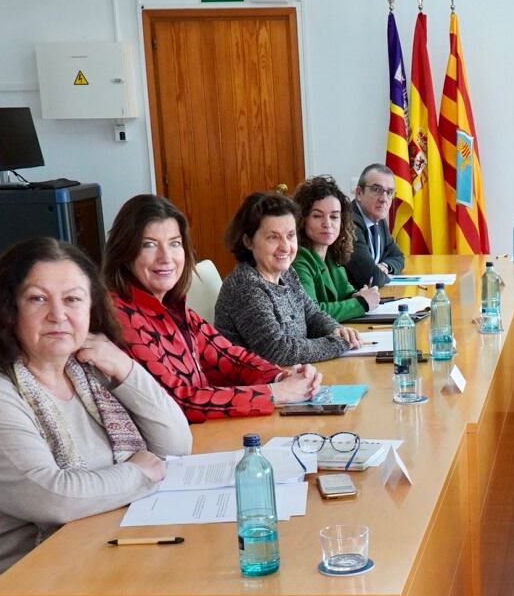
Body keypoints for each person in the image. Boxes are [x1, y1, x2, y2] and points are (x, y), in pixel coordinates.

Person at [0, 237, 193, 591]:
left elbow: (175, 443)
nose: (58, 315)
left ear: (91, 309)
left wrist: (126, 368)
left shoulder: (86, 371)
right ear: (8, 309)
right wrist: (138, 474)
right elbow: (53, 498)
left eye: (72, 300)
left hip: (86, 561)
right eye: (38, 299)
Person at [103, 193, 322, 423]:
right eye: (149, 245)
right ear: (125, 252)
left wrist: (281, 377)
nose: (166, 257)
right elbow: (178, 401)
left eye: (175, 243)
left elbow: (229, 358)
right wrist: (276, 393)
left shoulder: (173, 307)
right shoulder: (121, 315)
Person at [215, 190, 363, 366]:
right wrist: (339, 343)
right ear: (248, 241)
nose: (285, 247)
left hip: (292, 377)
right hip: (259, 387)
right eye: (273, 237)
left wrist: (336, 329)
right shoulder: (245, 287)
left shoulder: (287, 273)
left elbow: (312, 313)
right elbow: (278, 351)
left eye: (290, 236)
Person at [294, 175, 379, 322]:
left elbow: (345, 293)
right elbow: (311, 315)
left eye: (334, 217)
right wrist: (362, 303)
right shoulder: (298, 259)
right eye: (317, 216)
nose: (327, 224)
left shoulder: (332, 253)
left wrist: (358, 295)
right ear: (302, 219)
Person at [344, 164, 406, 290]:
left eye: (389, 192)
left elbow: (398, 256)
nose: (384, 199)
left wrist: (385, 265)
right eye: (376, 190)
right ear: (359, 193)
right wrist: (379, 274)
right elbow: (372, 278)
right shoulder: (350, 223)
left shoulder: (378, 218)